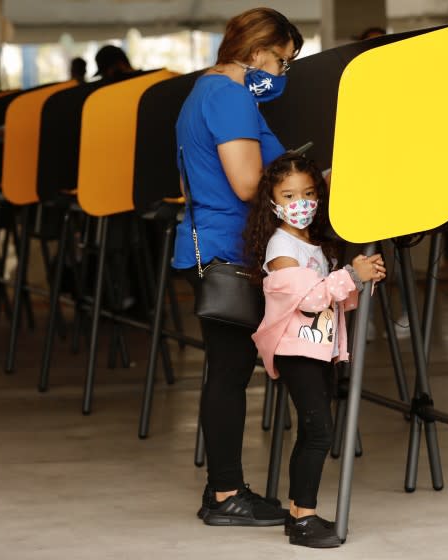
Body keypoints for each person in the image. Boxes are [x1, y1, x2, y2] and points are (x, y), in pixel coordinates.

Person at [173, 7, 303, 527]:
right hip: (228, 251)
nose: (282, 73)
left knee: (226, 374)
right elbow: (249, 184)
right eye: (281, 60)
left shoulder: (202, 92)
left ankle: (226, 490)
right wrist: (309, 181)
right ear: (254, 53)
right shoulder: (229, 97)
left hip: (211, 245)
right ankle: (225, 495)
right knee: (227, 376)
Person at [245, 155, 385, 548]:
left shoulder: (314, 245)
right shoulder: (280, 247)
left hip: (318, 350)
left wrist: (361, 276)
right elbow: (309, 299)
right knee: (319, 431)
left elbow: (335, 301)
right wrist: (352, 275)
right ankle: (303, 518)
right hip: (296, 351)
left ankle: (299, 514)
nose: (299, 202)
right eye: (288, 195)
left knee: (314, 430)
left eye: (307, 193)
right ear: (271, 201)